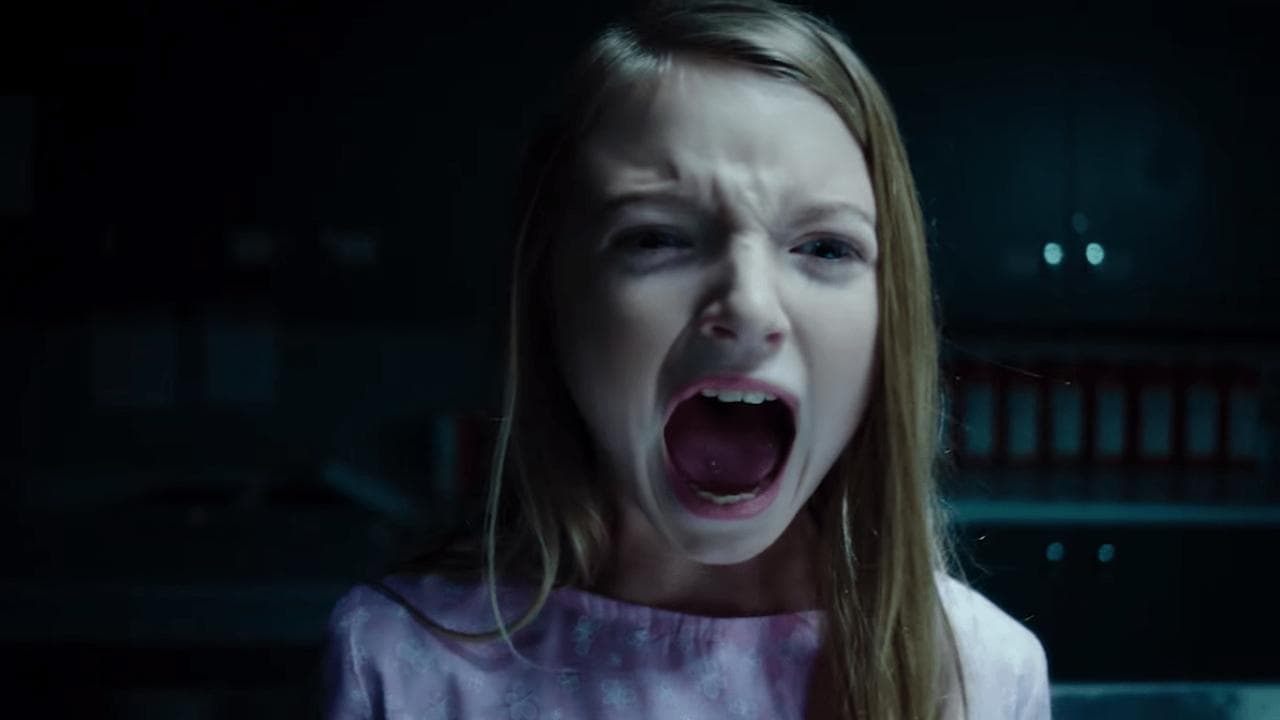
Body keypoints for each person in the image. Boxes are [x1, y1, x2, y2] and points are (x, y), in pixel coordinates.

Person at [322, 1, 1052, 718]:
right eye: (657, 238)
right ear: (548, 292)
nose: (750, 307)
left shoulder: (983, 678)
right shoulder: (394, 661)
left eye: (826, 247)